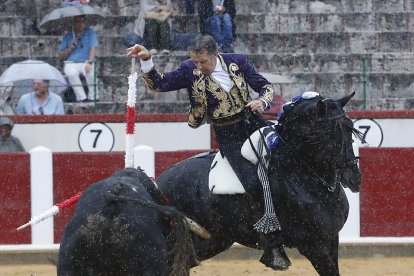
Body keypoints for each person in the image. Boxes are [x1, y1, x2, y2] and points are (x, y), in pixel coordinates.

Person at [126, 35, 290, 270]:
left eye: (203, 61)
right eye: (196, 61)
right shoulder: (189, 70)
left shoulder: (237, 62)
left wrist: (262, 102)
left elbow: (265, 86)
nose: (199, 67)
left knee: (288, 160)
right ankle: (272, 243)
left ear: (215, 55)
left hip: (254, 123)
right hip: (229, 135)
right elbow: (159, 84)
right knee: (253, 182)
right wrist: (147, 61)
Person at [58, 15, 99, 102]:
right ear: (73, 23)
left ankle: (93, 97)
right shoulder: (68, 36)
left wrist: (90, 62)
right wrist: (70, 48)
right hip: (71, 62)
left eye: (82, 21)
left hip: (86, 61)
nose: (80, 23)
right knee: (70, 72)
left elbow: (93, 48)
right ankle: (81, 98)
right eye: (77, 21)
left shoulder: (90, 32)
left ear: (85, 22)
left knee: (91, 71)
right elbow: (61, 55)